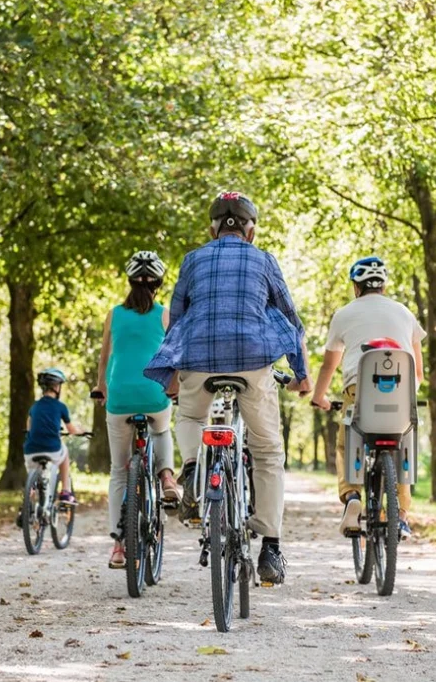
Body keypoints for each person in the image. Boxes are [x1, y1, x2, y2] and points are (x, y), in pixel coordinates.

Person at [144, 191, 311, 585]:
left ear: (212, 229)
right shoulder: (264, 260)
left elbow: (177, 319)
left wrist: (172, 369)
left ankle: (192, 469)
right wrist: (301, 374)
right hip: (253, 362)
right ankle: (271, 548)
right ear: (251, 231)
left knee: (190, 415)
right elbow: (291, 319)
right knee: (267, 451)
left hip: (199, 359)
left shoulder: (192, 260)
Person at [311, 256, 426, 538]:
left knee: (346, 441)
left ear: (356, 286)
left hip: (358, 392)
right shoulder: (405, 313)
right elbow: (418, 372)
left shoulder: (343, 314)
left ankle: (352, 495)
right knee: (404, 442)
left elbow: (329, 366)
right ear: (383, 286)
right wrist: (408, 398)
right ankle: (401, 514)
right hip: (401, 394)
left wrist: (319, 397)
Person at [93, 251, 180, 569]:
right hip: (153, 393)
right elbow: (175, 357)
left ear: (130, 282)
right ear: (158, 284)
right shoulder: (165, 314)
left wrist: (101, 388)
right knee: (162, 427)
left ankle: (118, 546)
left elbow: (105, 358)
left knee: (119, 471)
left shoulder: (114, 314)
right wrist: (174, 387)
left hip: (120, 398)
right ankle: (167, 476)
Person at [16, 367, 85, 527]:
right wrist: (81, 431)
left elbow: (29, 428)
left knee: (33, 476)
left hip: (30, 451)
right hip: (51, 449)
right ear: (56, 387)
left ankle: (26, 506)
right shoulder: (60, 407)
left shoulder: (34, 407)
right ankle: (66, 492)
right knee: (64, 452)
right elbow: (71, 430)